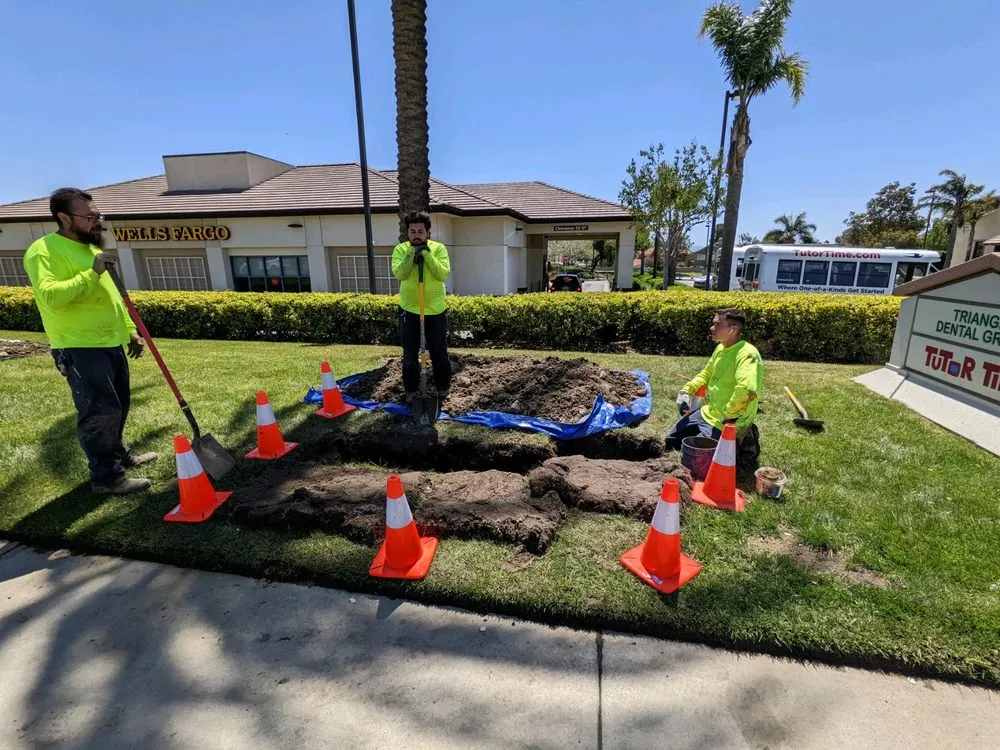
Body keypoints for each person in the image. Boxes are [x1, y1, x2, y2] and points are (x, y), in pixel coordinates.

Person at [23, 188, 157, 494]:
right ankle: (107, 478)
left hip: (109, 342)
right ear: (64, 218)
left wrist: (129, 330)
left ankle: (118, 457)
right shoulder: (43, 251)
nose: (98, 221)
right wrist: (91, 273)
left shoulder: (89, 250)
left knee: (119, 405)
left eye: (99, 215)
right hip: (79, 345)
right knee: (99, 412)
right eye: (90, 216)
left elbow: (112, 297)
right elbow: (51, 297)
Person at [665, 308, 763, 468]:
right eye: (713, 324)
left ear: (733, 329)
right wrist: (686, 390)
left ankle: (743, 442)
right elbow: (706, 374)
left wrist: (729, 417)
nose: (712, 328)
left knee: (700, 462)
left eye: (717, 325)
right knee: (670, 440)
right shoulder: (721, 348)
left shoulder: (747, 354)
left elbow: (746, 390)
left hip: (728, 420)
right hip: (709, 412)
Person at [391, 210, 452, 401]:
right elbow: (401, 274)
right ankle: (411, 390)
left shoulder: (439, 249)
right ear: (407, 233)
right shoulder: (400, 250)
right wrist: (411, 253)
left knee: (438, 349)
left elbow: (442, 274)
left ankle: (443, 387)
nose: (416, 235)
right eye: (412, 232)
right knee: (410, 351)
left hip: (435, 309)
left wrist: (427, 255)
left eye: (420, 231)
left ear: (428, 232)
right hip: (409, 309)